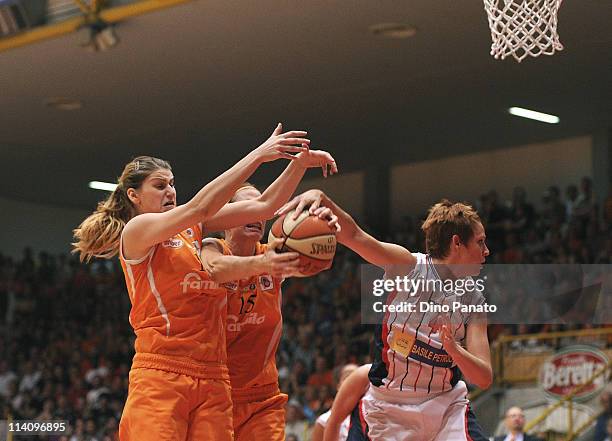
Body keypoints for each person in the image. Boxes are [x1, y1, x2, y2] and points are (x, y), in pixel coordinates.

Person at [72, 123, 337, 441]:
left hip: (213, 376)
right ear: (134, 195)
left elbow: (264, 206)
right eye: (159, 185)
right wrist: (258, 155)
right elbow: (200, 206)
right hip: (162, 372)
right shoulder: (137, 232)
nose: (169, 191)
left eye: (171, 184)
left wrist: (299, 166)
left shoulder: (192, 229)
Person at [277, 191, 492, 441]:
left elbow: (484, 378)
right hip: (391, 406)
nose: (486, 251)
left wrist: (454, 350)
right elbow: (356, 235)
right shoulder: (409, 266)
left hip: (446, 404)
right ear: (457, 243)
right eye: (480, 242)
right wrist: (323, 200)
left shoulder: (474, 300)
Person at [199, 183, 339, 441]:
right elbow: (215, 267)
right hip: (214, 393)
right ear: (227, 216)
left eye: (261, 209)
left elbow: (317, 263)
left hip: (262, 396)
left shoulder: (273, 254)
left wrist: (325, 229)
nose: (257, 215)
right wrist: (261, 264)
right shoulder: (212, 246)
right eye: (246, 208)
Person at [312, 363, 369, 441]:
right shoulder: (323, 421)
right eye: (347, 377)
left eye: (356, 377)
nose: (352, 381)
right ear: (338, 385)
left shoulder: (372, 413)